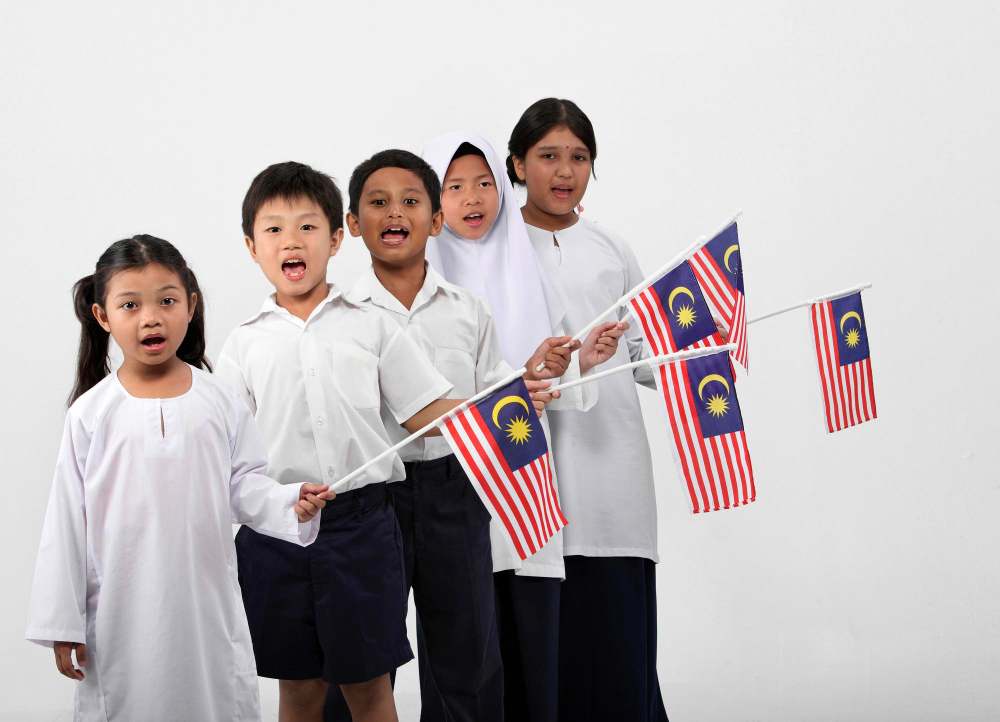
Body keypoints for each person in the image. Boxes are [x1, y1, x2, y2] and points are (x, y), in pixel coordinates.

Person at [25, 234, 331, 722]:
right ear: (103, 316)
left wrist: (288, 501)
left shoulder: (219, 400)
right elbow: (65, 524)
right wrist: (64, 622)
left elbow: (243, 484)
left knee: (213, 700)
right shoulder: (92, 413)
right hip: (120, 609)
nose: (152, 317)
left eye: (167, 301)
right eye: (131, 304)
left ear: (189, 306)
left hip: (204, 604)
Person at [217, 161, 465, 722]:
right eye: (273, 229)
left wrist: (511, 402)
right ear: (251, 248)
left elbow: (427, 410)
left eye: (306, 227)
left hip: (363, 531)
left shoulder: (372, 324)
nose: (291, 241)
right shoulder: (241, 346)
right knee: (300, 691)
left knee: (370, 690)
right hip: (275, 534)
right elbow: (229, 458)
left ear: (334, 239)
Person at [337, 148, 568, 722]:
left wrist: (528, 382)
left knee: (465, 654)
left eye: (412, 201)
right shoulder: (338, 316)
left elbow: (496, 399)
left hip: (456, 489)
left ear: (435, 220)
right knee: (363, 657)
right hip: (371, 498)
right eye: (378, 203)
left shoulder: (468, 310)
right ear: (351, 224)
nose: (396, 213)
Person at [422, 132, 626, 722]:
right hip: (450, 485)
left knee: (530, 628)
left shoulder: (526, 267)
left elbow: (552, 391)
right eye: (454, 187)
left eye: (484, 184)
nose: (472, 199)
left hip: (521, 476)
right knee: (462, 639)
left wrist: (576, 362)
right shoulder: (418, 278)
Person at [506, 97, 671, 722]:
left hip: (612, 458)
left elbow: (649, 346)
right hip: (527, 460)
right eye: (548, 155)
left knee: (614, 621)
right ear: (519, 162)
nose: (564, 170)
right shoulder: (495, 249)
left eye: (578, 157)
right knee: (536, 618)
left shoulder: (610, 249)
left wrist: (697, 352)